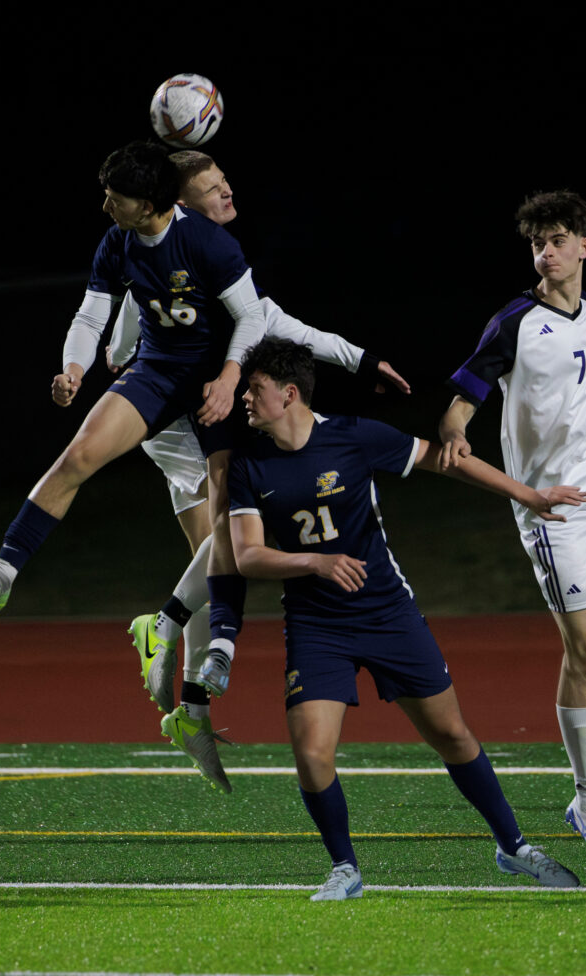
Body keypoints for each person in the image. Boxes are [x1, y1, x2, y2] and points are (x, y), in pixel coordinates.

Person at [227, 337, 582, 899]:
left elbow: (447, 462)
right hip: (317, 627)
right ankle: (345, 867)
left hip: (387, 612)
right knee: (312, 753)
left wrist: (527, 495)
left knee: (452, 733)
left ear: (289, 393)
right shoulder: (247, 463)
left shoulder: (354, 436)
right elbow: (247, 555)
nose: (244, 398)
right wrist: (314, 562)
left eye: (254, 389)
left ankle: (513, 847)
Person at [115, 151, 410, 792]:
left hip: (192, 425)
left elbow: (283, 323)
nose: (227, 191)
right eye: (211, 188)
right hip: (175, 425)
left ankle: (190, 710)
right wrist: (135, 357)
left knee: (217, 551)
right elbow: (119, 341)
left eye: (226, 181)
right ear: (183, 208)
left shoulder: (221, 273)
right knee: (241, 526)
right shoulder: (169, 268)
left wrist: (364, 361)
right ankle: (163, 627)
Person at [0, 140, 265, 662]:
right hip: (159, 372)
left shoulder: (209, 244)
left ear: (147, 204)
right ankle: (5, 569)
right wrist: (73, 368)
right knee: (78, 455)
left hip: (214, 383)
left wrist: (231, 378)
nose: (104, 206)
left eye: (113, 197)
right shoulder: (117, 240)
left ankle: (214, 654)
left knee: (224, 528)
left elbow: (252, 318)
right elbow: (91, 314)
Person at [439, 189, 586, 844]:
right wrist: (453, 428)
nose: (546, 252)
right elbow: (461, 401)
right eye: (537, 243)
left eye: (557, 239)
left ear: (582, 246)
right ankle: (584, 798)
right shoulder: (514, 323)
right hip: (551, 515)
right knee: (582, 647)